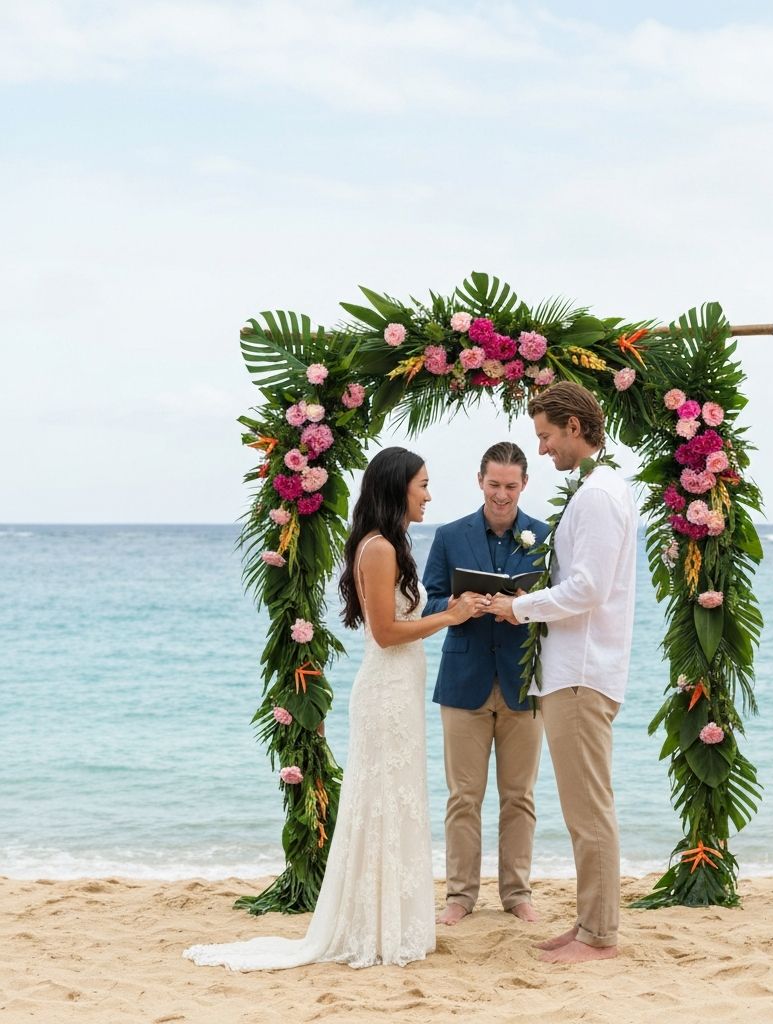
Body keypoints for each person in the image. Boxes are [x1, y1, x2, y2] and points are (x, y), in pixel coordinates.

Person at [183, 447, 490, 971]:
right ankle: (374, 925)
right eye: (422, 485)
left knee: (398, 799)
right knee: (382, 800)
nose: (429, 495)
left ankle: (393, 919)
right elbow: (386, 633)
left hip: (400, 690)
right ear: (398, 489)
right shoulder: (377, 549)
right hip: (386, 692)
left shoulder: (392, 544)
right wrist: (452, 617)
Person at [489, 382, 638, 964]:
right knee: (582, 811)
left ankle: (600, 936)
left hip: (580, 674)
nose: (545, 450)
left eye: (547, 437)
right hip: (573, 671)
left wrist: (517, 606)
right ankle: (587, 925)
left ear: (575, 426)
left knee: (589, 809)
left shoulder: (599, 495)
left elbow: (590, 588)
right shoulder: (598, 491)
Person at [422, 442, 550, 926]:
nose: (501, 495)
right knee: (463, 796)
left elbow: (558, 606)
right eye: (494, 485)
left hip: (522, 679)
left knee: (520, 796)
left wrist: (525, 608)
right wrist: (459, 606)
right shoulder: (450, 535)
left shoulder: (544, 535)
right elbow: (426, 601)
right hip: (463, 679)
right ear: (480, 481)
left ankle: (517, 894)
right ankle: (460, 895)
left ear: (524, 485)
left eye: (510, 487)